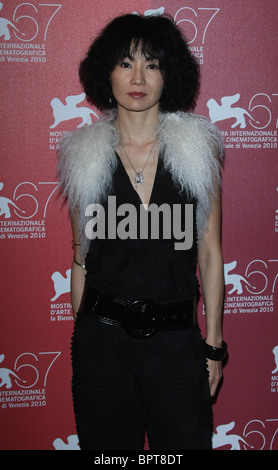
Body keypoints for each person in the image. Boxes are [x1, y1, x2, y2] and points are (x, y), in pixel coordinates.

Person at [58, 13, 227, 450]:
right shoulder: (84, 159)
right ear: (106, 73)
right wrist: (85, 341)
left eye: (152, 64)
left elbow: (209, 252)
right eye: (125, 62)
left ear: (169, 74)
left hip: (176, 346)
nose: (138, 77)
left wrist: (212, 344)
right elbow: (81, 255)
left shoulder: (197, 155)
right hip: (103, 345)